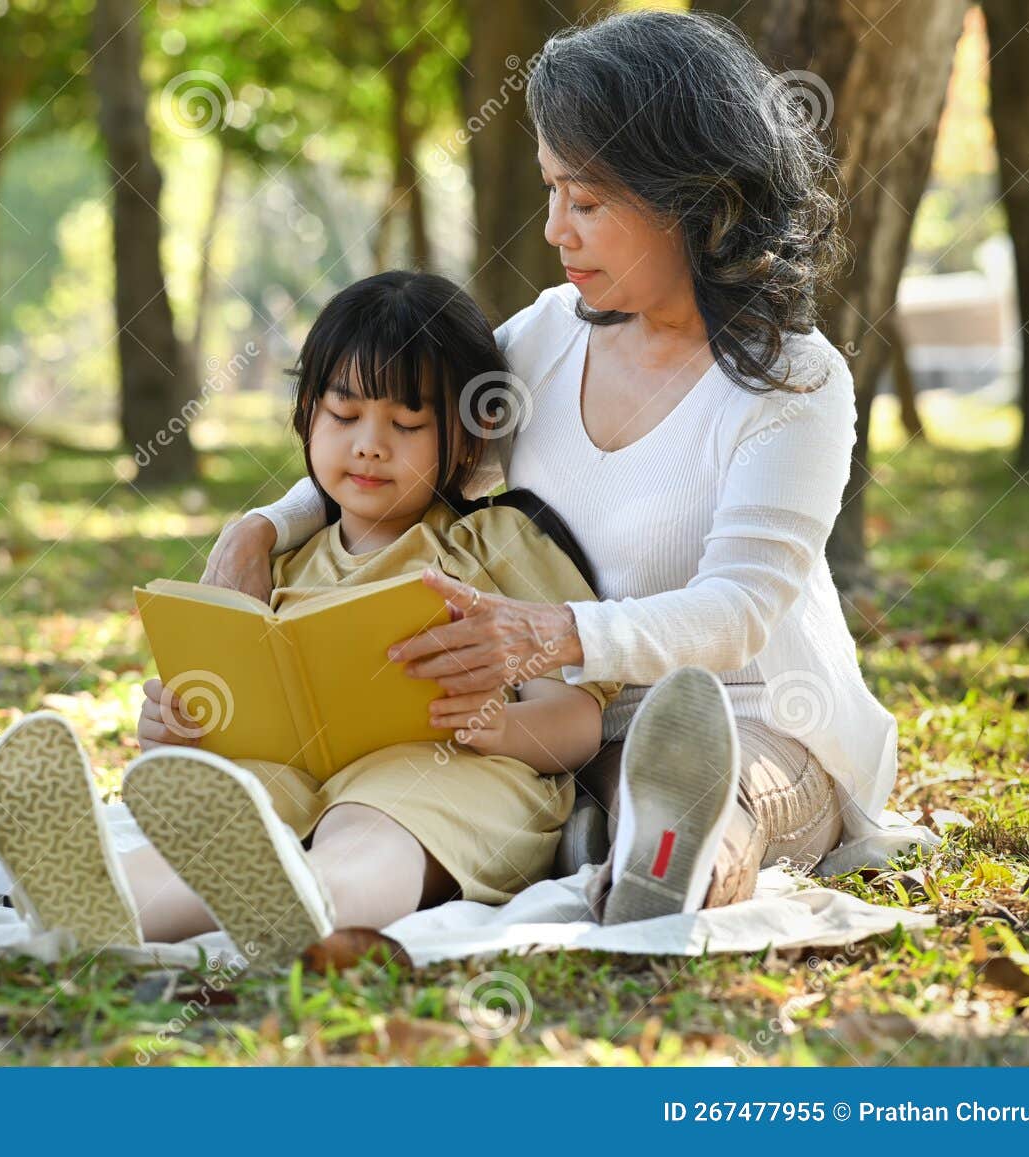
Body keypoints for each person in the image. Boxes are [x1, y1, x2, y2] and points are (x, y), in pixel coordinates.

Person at [205, 10, 934, 927]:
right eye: (552, 192)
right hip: (551, 725)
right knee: (448, 789)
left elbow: (737, 610)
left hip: (748, 718)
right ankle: (582, 841)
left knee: (702, 794)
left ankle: (665, 861)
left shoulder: (793, 381)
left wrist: (548, 633)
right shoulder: (546, 338)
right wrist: (261, 529)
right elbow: (407, 449)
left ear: (694, 200)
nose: (555, 228)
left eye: (585, 202)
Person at [0, 271, 623, 965]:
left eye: (405, 425)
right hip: (298, 781)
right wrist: (174, 727)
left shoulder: (498, 544)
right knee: (240, 810)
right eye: (344, 416)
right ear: (307, 416)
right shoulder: (282, 564)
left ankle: (312, 902)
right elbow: (226, 711)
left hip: (453, 773)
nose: (369, 444)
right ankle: (86, 902)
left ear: (465, 441)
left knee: (371, 826)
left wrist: (502, 726)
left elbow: (579, 723)